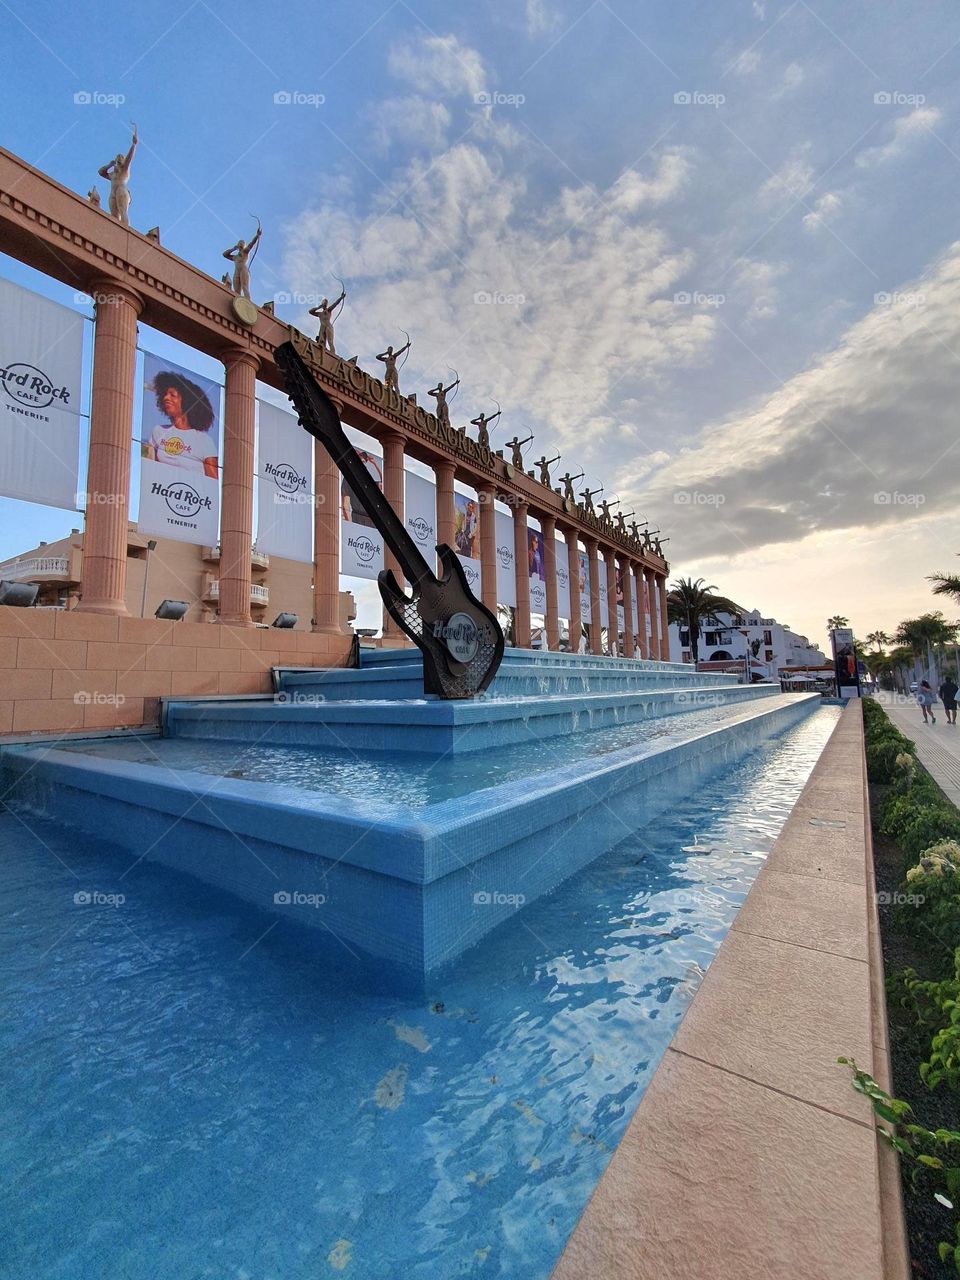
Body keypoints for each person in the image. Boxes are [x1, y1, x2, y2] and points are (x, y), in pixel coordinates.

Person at [144, 372, 218, 478]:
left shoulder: (205, 441)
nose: (166, 398)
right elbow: (151, 470)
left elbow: (213, 482)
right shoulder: (158, 431)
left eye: (172, 395)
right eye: (164, 394)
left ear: (187, 401)